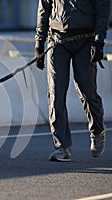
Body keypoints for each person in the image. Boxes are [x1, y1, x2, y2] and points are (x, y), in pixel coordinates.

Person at [34, 0, 110, 161]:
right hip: (57, 40)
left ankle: (98, 130)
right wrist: (39, 44)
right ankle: (62, 147)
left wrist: (99, 41)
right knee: (56, 93)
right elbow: (44, 9)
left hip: (86, 40)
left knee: (87, 91)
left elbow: (103, 11)